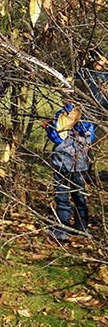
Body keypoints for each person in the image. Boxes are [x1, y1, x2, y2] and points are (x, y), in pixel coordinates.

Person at [44, 103, 95, 241]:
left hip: (64, 164)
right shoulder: (89, 119)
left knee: (64, 198)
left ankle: (65, 229)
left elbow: (56, 137)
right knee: (77, 197)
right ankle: (80, 228)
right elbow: (91, 139)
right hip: (78, 165)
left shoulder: (64, 116)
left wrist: (49, 128)